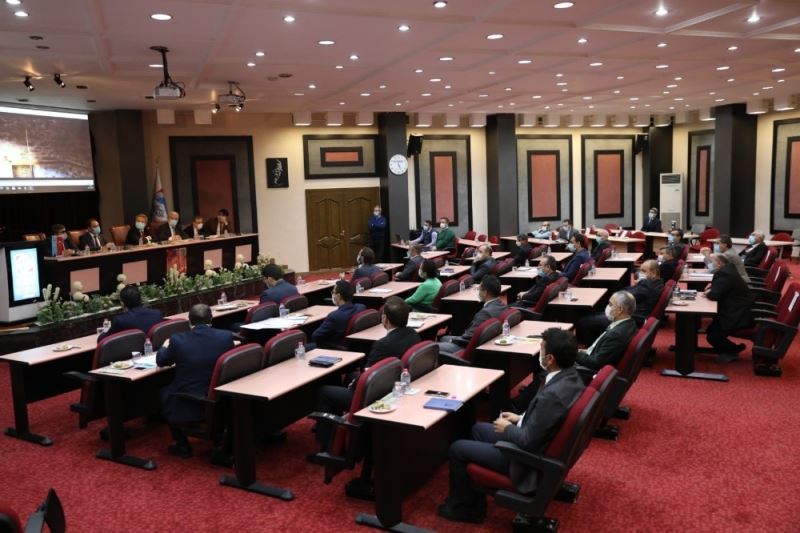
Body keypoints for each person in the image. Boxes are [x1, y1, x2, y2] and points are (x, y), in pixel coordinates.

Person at [437, 327, 585, 524]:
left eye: (541, 349)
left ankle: (464, 509)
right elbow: (545, 419)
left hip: (525, 461)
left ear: (550, 359)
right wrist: (519, 418)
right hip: (535, 442)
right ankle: (473, 499)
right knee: (477, 429)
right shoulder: (571, 377)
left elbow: (528, 441)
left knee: (457, 448)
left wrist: (507, 429)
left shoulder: (553, 395)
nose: (539, 353)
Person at [313, 297, 421, 450]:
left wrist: (353, 385)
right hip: (393, 385)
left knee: (324, 392)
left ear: (385, 319)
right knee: (351, 376)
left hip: (375, 395)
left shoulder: (382, 345)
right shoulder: (413, 334)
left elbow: (367, 378)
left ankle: (328, 444)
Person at [156, 303, 234, 457]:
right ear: (211, 319)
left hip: (193, 397)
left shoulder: (177, 340)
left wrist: (164, 346)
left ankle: (181, 444)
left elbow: (162, 361)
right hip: (221, 396)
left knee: (164, 391)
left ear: (189, 321)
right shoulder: (226, 337)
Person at [576, 261, 662, 345]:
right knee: (595, 314)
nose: (640, 273)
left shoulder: (647, 286)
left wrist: (638, 283)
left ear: (653, 273)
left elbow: (623, 294)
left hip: (628, 318)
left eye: (643, 271)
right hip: (630, 314)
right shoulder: (657, 284)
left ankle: (592, 348)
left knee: (584, 321)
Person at [574, 291, 638, 384]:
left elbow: (595, 363)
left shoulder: (616, 334)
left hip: (590, 370)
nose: (608, 307)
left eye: (610, 304)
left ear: (620, 309)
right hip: (593, 354)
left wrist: (574, 353)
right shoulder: (630, 323)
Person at [438, 276, 507, 356]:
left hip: (468, 349)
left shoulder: (484, 313)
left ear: (485, 292)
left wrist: (453, 341)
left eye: (479, 289)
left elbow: (467, 338)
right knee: (444, 338)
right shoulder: (503, 306)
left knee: (435, 346)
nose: (478, 291)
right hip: (485, 343)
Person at [705, 254, 754, 363]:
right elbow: (721, 288)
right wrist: (712, 289)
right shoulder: (728, 270)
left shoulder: (725, 274)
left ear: (719, 264)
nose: (710, 265)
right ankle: (733, 348)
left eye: (712, 262)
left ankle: (732, 350)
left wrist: (709, 292)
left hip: (737, 314)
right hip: (736, 309)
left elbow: (714, 295)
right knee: (711, 330)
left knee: (713, 336)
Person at [310, 280, 366, 349]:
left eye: (333, 292)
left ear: (339, 296)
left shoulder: (334, 316)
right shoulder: (361, 307)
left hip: (333, 347)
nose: (332, 294)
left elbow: (315, 336)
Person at [98, 285, 163, 340]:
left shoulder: (120, 320)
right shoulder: (157, 314)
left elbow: (104, 340)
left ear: (122, 303)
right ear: (141, 299)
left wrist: (102, 333)